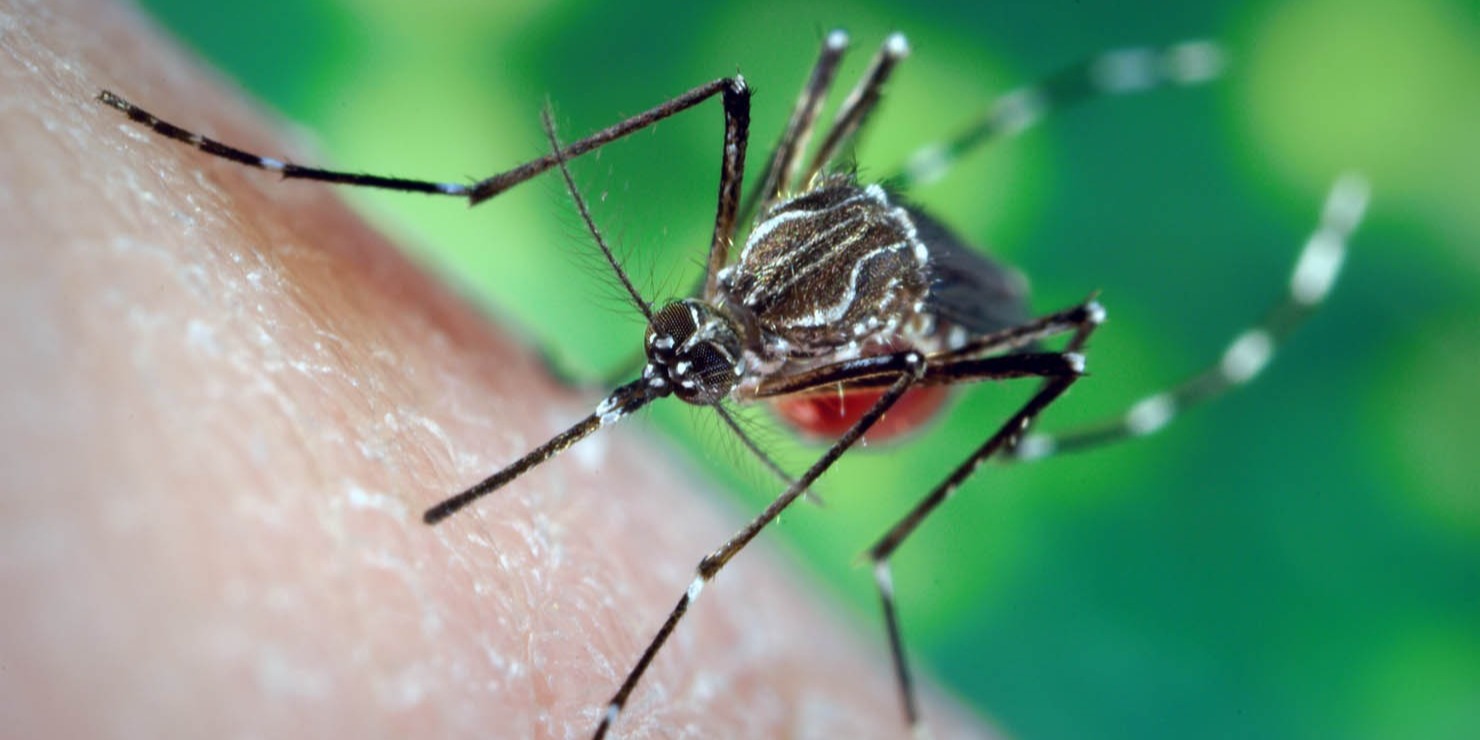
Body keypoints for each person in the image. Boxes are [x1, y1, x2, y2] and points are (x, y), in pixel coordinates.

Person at [0, 0, 994, 736]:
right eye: (682, 332)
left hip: (894, 324)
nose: (671, 362)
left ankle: (819, 562)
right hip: (825, 262)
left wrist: (707, 569)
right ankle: (446, 189)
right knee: (764, 86)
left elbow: (910, 352)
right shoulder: (736, 277)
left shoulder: (821, 345)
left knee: (1016, 340)